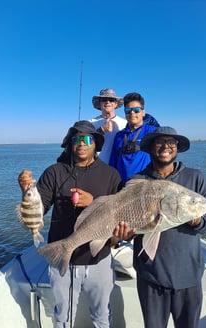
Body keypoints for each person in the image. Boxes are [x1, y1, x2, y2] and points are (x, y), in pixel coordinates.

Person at [18, 120, 123, 328]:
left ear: (96, 144)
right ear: (70, 144)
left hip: (99, 258)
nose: (81, 144)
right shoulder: (54, 172)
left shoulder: (111, 175)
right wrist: (26, 192)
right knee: (62, 318)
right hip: (61, 257)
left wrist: (93, 203)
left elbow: (119, 213)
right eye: (76, 139)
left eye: (87, 139)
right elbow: (40, 209)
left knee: (102, 316)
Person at [132, 126, 206, 328]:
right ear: (151, 147)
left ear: (177, 148)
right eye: (160, 142)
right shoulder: (137, 181)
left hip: (188, 275)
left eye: (171, 143)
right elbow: (127, 226)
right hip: (150, 276)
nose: (166, 147)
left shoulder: (196, 178)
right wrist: (123, 234)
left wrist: (196, 220)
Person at [109, 92, 159, 184]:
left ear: (143, 112)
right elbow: (113, 162)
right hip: (122, 187)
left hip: (144, 186)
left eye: (136, 110)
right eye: (128, 110)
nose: (132, 113)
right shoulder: (119, 136)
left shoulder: (153, 131)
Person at [89, 88, 127, 163]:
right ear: (99, 103)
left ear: (116, 104)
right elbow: (85, 143)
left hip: (118, 167)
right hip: (96, 166)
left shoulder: (126, 123)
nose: (107, 102)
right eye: (104, 100)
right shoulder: (90, 123)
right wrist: (101, 130)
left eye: (111, 100)